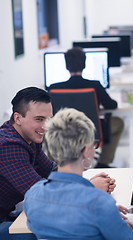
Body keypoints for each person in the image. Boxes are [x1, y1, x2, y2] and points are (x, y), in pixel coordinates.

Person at [24, 108, 133, 240]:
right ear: (86, 151)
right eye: (94, 144)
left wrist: (108, 214)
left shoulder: (33, 195)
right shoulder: (100, 204)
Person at [0, 87, 115, 240]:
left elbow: (52, 171)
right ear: (18, 118)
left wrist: (85, 183)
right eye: (39, 119)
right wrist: (90, 188)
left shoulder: (28, 137)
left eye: (49, 119)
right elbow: (42, 196)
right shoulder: (9, 146)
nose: (46, 126)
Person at [49, 47, 124, 168]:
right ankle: (103, 162)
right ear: (84, 65)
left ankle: (56, 163)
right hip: (92, 132)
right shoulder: (95, 86)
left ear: (66, 66)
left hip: (63, 132)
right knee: (118, 123)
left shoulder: (53, 88)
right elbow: (111, 105)